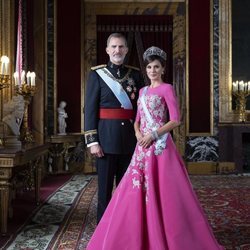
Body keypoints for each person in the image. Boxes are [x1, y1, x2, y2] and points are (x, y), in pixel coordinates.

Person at [86, 46, 224, 250]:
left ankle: (165, 233)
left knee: (163, 192)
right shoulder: (142, 90)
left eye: (156, 67)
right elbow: (137, 119)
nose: (152, 70)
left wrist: (152, 135)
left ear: (162, 69)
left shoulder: (167, 89)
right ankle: (136, 234)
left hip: (160, 147)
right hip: (142, 147)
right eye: (149, 67)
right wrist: (138, 134)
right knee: (134, 191)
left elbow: (175, 120)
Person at [84, 33, 144, 222]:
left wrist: (142, 137)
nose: (117, 50)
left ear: (126, 50)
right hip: (105, 141)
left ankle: (127, 225)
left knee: (129, 188)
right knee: (105, 190)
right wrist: (93, 141)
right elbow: (90, 110)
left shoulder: (135, 75)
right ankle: (104, 227)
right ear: (107, 50)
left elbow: (141, 110)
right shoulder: (96, 74)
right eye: (114, 47)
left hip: (130, 140)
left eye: (121, 47)